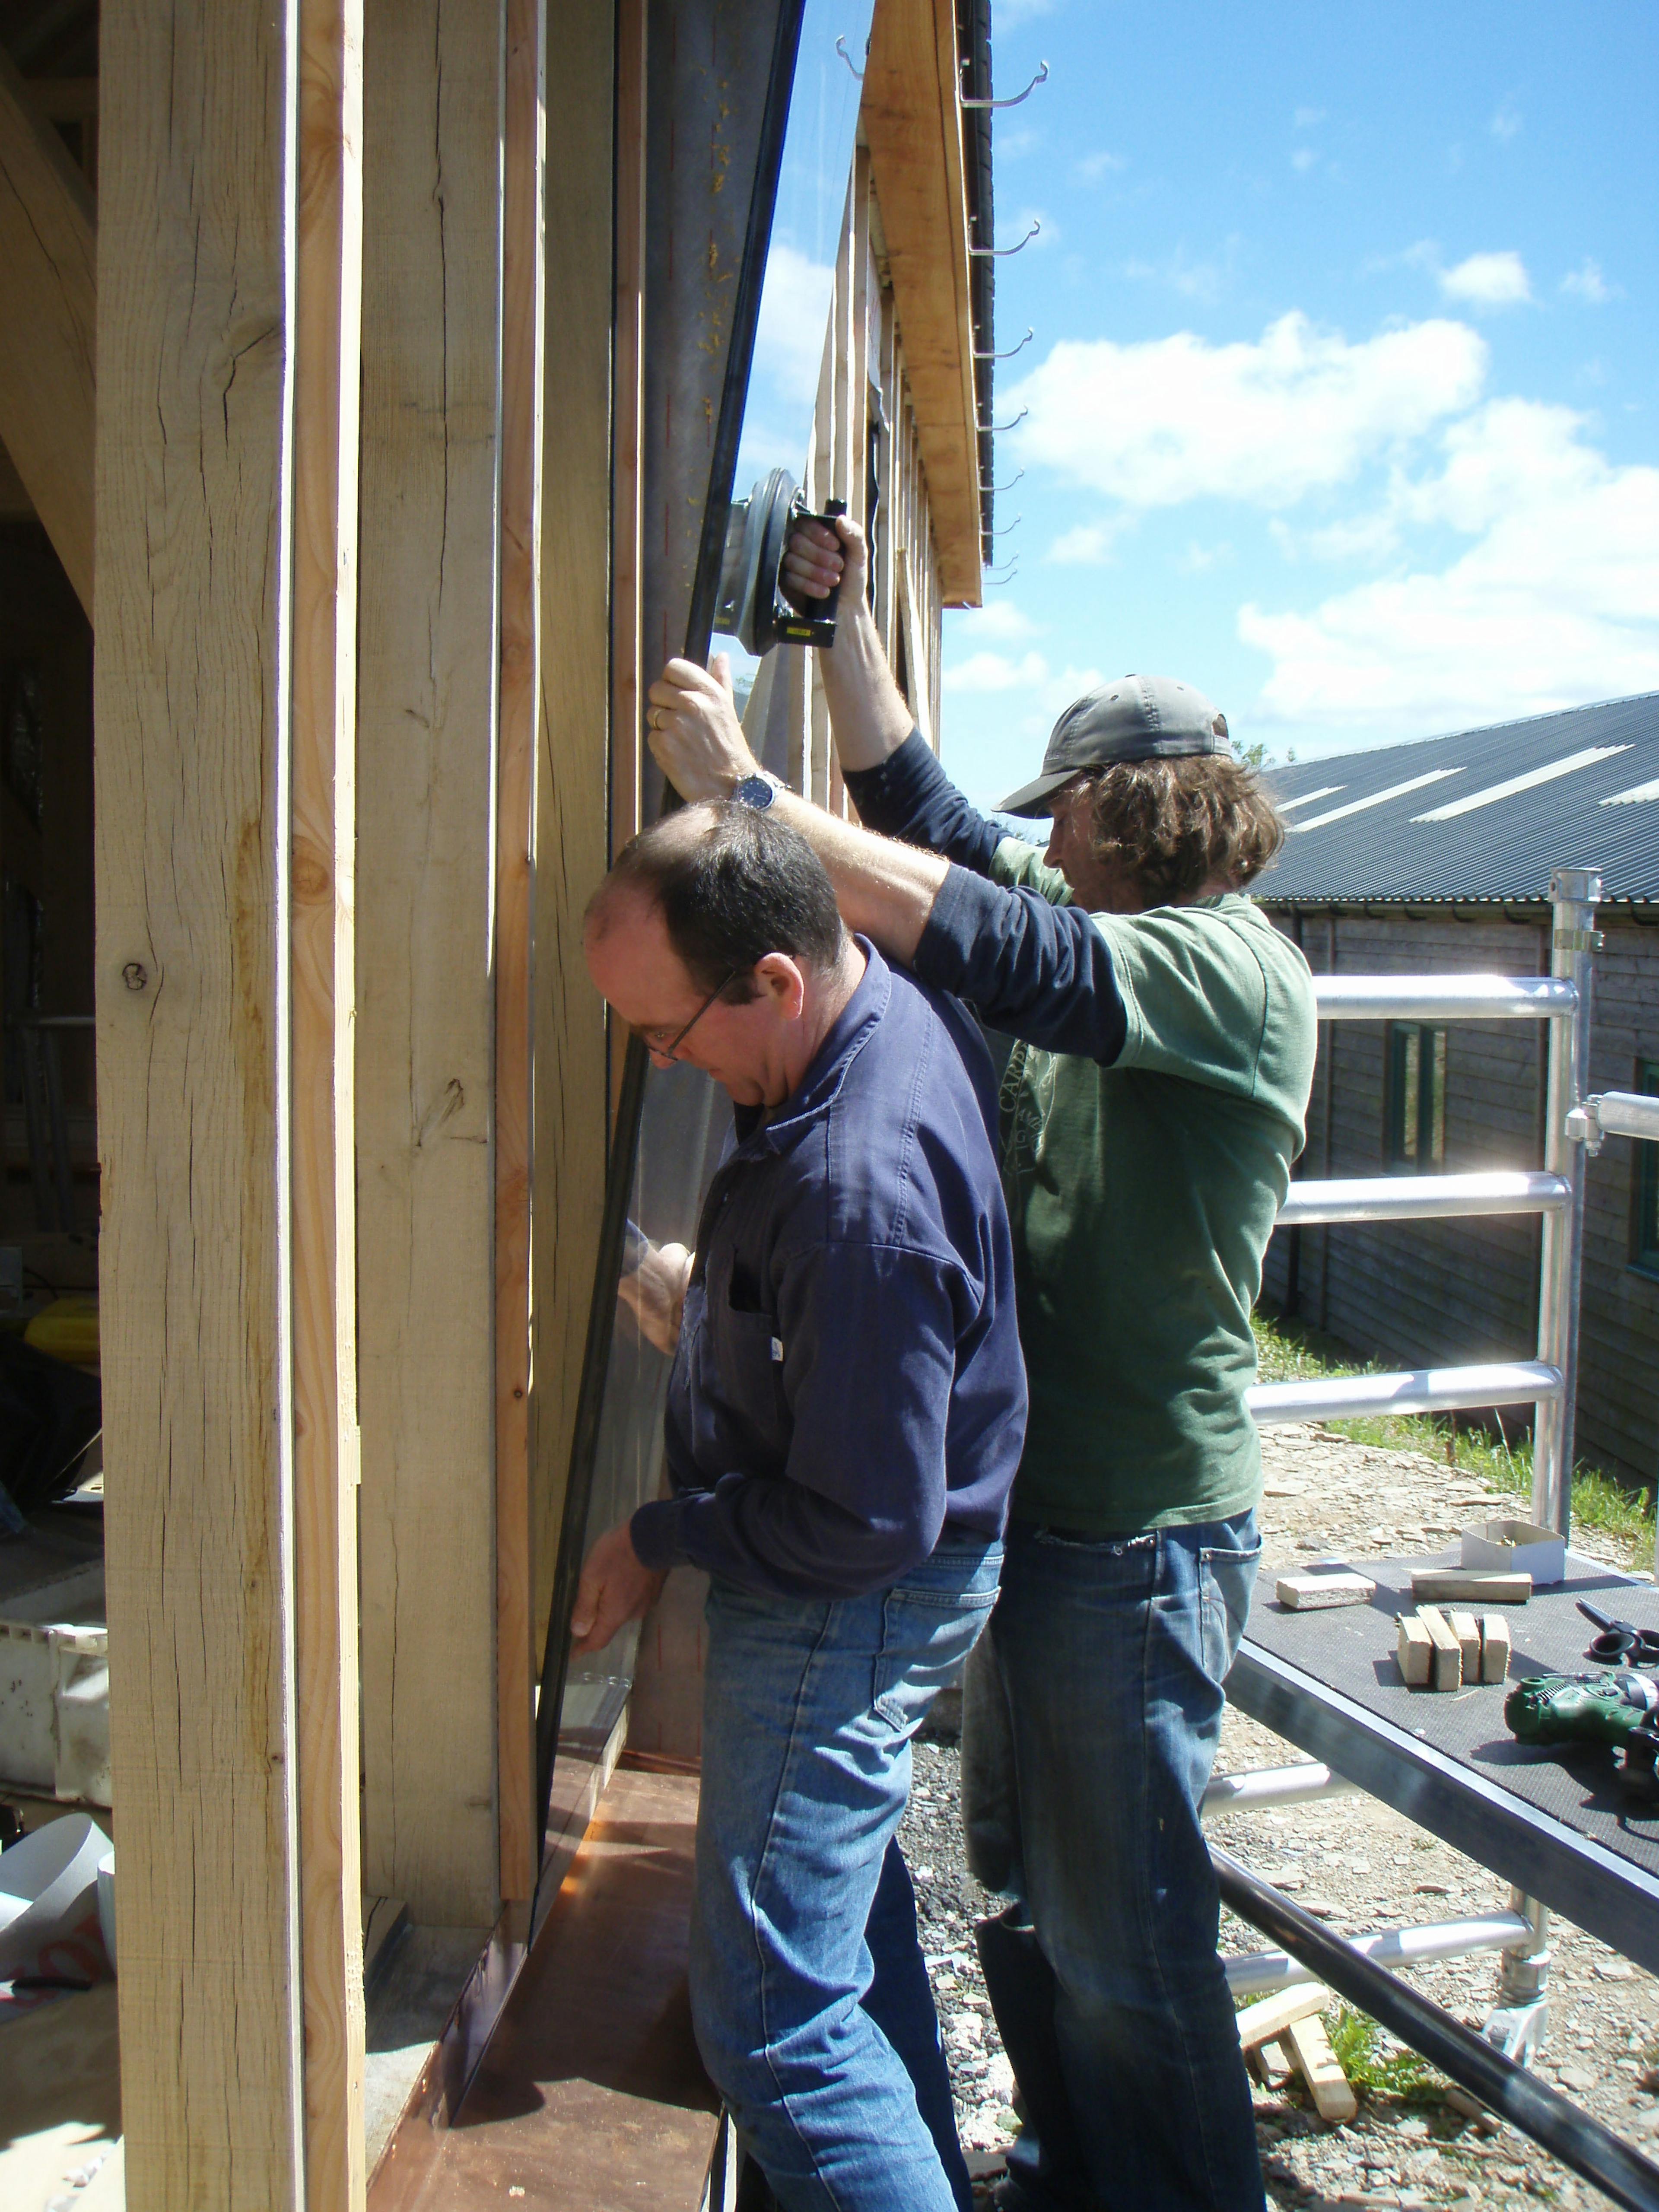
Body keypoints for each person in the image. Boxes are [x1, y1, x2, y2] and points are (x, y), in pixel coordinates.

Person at [641, 522, 1318, 2212]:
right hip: (1042, 1521)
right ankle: (1077, 2171)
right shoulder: (1095, 916)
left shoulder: (1227, 967)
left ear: (1128, 805)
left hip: (1140, 1536)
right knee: (1027, 1892)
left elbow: (1018, 952)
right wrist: (838, 625)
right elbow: (931, 825)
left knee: (1132, 1938)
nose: (1044, 834)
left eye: (1062, 809)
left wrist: (747, 806)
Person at [570, 801, 1027, 2212]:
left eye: (666, 1032)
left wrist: (662, 1533)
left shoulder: (858, 1190)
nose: (663, 1061)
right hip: (866, 1576)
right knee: (843, 1942)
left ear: (778, 978)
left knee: (773, 2029)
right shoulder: (858, 1019)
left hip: (852, 1605)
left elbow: (864, 1522)